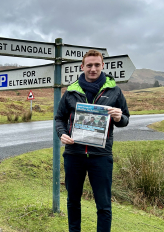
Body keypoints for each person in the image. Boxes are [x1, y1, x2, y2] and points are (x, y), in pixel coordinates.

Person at [55, 49, 130, 232]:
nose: (93, 69)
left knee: (103, 205)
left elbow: (125, 119)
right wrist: (62, 134)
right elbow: (59, 118)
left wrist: (120, 117)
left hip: (101, 156)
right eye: (89, 65)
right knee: (73, 201)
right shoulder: (71, 92)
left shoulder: (115, 91)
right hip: (74, 154)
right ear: (82, 67)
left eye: (97, 65)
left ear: (102, 66)